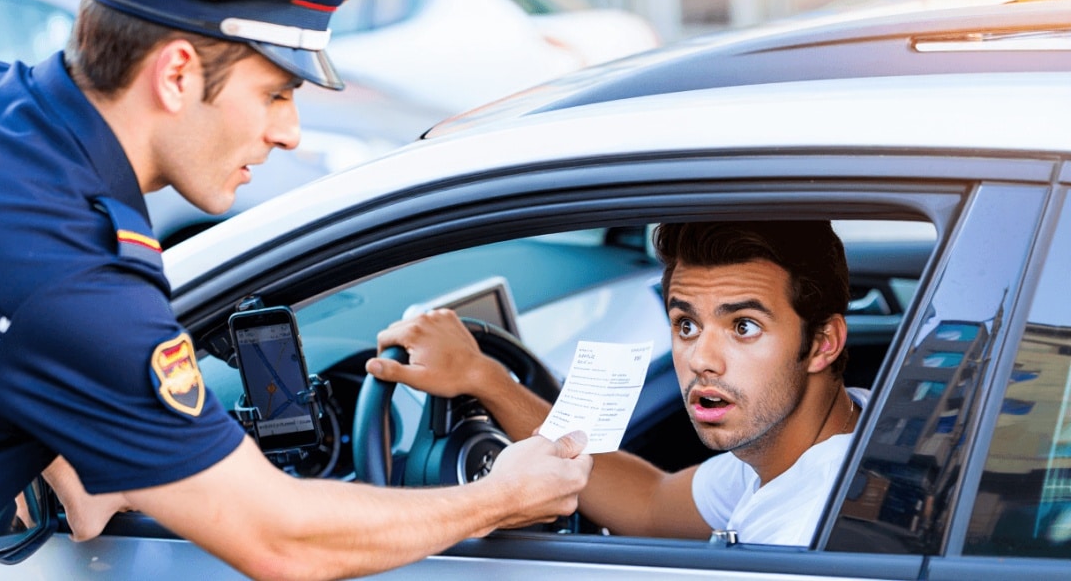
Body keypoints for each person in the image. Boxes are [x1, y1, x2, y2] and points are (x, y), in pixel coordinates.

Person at [0, 0, 592, 581]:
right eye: (276, 93)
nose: (291, 133)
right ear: (177, 73)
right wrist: (498, 498)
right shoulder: (79, 282)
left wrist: (55, 431)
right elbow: (278, 536)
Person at [370, 220, 869, 546]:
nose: (701, 360)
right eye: (687, 325)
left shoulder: (806, 533)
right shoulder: (823, 440)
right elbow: (651, 502)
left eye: (743, 327)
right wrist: (486, 378)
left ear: (823, 342)